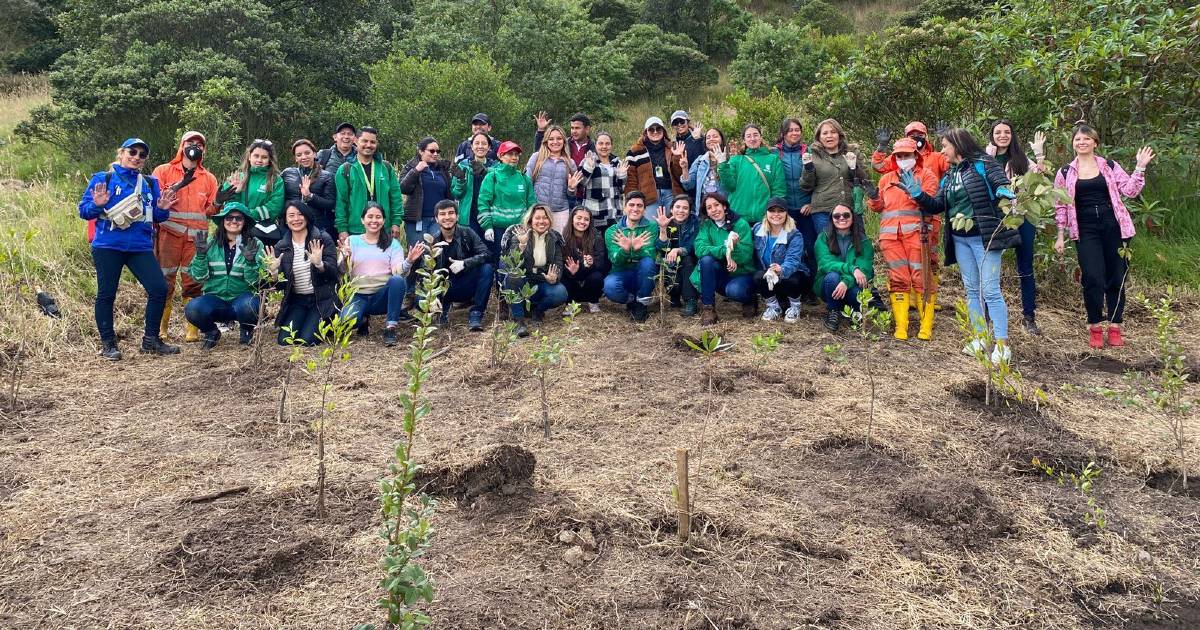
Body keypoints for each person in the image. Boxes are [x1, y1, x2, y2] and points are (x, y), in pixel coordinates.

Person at [902, 128, 1019, 365]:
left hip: (985, 238)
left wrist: (1003, 191)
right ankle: (980, 339)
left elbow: (999, 181)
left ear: (957, 144)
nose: (942, 150)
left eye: (945, 145)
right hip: (960, 239)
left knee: (991, 291)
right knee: (972, 290)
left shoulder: (984, 163)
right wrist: (917, 193)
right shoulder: (951, 175)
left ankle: (1002, 345)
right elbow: (937, 205)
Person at [1053, 125, 1154, 349]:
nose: (1082, 142)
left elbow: (1129, 190)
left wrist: (1139, 168)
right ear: (1073, 143)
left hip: (1114, 226)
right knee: (1092, 277)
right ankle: (1095, 326)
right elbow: (1060, 206)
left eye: (1087, 138)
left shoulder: (1108, 166)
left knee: (1116, 277)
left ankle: (1115, 326)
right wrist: (1060, 234)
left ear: (1095, 143)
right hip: (1085, 229)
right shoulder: (1065, 172)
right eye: (1078, 139)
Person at [79, 137, 180, 359]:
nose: (136, 157)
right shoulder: (102, 179)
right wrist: (97, 205)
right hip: (108, 246)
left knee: (159, 289)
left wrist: (162, 208)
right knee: (107, 294)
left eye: (141, 155)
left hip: (139, 247)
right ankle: (108, 344)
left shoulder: (149, 183)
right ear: (121, 153)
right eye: (132, 152)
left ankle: (151, 340)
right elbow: (84, 212)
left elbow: (156, 216)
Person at [866, 138, 940, 340]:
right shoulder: (886, 179)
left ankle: (925, 326)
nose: (903, 159)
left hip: (918, 235)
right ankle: (901, 326)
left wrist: (916, 194)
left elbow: (932, 204)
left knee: (921, 277)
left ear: (915, 156)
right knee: (898, 278)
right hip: (890, 236)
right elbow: (879, 207)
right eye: (899, 156)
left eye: (906, 155)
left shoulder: (927, 176)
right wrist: (873, 197)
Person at [152, 130, 219, 343]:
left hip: (196, 239)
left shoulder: (208, 178)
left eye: (199, 144)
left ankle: (192, 330)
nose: (195, 147)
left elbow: (210, 211)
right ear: (182, 145)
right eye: (191, 142)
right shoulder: (163, 170)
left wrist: (219, 203)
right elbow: (155, 199)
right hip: (169, 235)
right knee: (164, 282)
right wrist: (179, 184)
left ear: (204, 150)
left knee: (194, 282)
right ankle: (161, 329)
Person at [988, 120, 1047, 336]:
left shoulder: (1021, 159)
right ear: (992, 135)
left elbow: (1040, 180)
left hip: (1022, 217)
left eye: (1007, 132)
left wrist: (1039, 155)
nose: (1002, 135)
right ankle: (989, 315)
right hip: (996, 219)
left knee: (1025, 267)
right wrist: (990, 156)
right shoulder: (986, 157)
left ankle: (1029, 317)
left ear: (1012, 135)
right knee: (991, 268)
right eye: (998, 132)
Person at [337, 202, 425, 346]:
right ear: (362, 220)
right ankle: (363, 319)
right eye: (370, 216)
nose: (374, 220)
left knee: (397, 280)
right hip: (358, 295)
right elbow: (341, 272)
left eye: (378, 217)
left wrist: (409, 261)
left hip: (382, 297)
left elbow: (398, 271)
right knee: (346, 323)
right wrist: (345, 258)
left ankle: (390, 327)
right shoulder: (352, 241)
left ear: (383, 221)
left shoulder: (392, 244)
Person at [184, 202, 264, 350]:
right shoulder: (209, 244)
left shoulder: (255, 244)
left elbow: (254, 281)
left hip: (242, 298)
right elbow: (198, 277)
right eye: (229, 217)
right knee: (193, 308)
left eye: (238, 218)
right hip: (215, 299)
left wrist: (251, 262)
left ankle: (246, 331)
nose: (234, 221)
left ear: (245, 222)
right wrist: (201, 256)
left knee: (250, 306)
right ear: (222, 221)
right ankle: (211, 332)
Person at [417, 200, 494, 331]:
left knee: (487, 269)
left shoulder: (467, 233)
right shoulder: (432, 242)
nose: (447, 217)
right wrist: (431, 296)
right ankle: (441, 309)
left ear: (457, 216)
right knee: (419, 300)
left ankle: (476, 314)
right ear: (436, 219)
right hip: (444, 288)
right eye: (442, 214)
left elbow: (487, 254)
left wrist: (465, 263)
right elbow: (424, 273)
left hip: (467, 284)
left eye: (451, 213)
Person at [268, 202, 339, 345]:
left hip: (321, 300)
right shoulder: (281, 246)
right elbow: (280, 286)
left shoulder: (322, 238)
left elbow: (334, 274)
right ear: (286, 219)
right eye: (291, 215)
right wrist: (274, 272)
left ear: (307, 217)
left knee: (307, 341)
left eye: (300, 214)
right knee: (285, 341)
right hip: (297, 300)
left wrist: (320, 264)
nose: (296, 219)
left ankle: (329, 323)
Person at [500, 204, 570, 336]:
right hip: (523, 279)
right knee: (513, 276)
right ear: (530, 220)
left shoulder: (555, 238)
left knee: (560, 292)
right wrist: (522, 245)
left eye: (545, 218)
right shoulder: (520, 234)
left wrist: (555, 277)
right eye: (537, 218)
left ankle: (536, 312)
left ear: (550, 220)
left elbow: (558, 263)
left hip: (541, 280)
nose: (542, 221)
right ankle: (518, 320)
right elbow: (511, 264)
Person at [690, 191, 756, 325]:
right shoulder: (706, 226)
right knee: (706, 260)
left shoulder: (741, 224)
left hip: (741, 273)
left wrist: (734, 248)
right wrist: (725, 249)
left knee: (734, 291)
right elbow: (700, 249)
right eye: (709, 208)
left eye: (717, 205)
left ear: (724, 206)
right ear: (706, 212)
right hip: (721, 274)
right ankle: (708, 308)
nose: (714, 210)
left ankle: (750, 299)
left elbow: (746, 255)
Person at [800, 119, 871, 237]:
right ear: (819, 137)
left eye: (833, 132)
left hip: (851, 208)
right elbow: (806, 186)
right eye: (825, 133)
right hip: (824, 210)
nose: (829, 136)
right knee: (828, 247)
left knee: (858, 245)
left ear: (839, 134)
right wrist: (808, 169)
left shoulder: (852, 152)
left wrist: (854, 168)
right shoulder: (813, 155)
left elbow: (866, 179)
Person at [334, 126, 403, 243]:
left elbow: (396, 198)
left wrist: (396, 222)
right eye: (364, 141)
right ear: (356, 141)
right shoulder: (345, 169)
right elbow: (341, 202)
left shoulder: (386, 167)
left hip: (384, 229)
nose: (369, 145)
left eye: (372, 142)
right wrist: (342, 229)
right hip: (356, 230)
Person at [774, 118, 817, 302]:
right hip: (783, 212)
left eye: (797, 130)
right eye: (790, 130)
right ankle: (783, 287)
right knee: (784, 249)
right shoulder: (775, 153)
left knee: (809, 248)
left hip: (805, 208)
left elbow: (820, 179)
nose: (794, 133)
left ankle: (809, 289)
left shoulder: (809, 152)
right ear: (783, 133)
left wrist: (813, 203)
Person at [814, 205, 875, 332]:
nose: (841, 218)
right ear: (831, 219)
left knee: (856, 293)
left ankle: (852, 311)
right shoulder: (823, 238)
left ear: (853, 218)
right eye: (837, 216)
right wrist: (853, 269)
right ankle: (833, 310)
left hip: (851, 285)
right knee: (832, 277)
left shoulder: (864, 241)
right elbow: (826, 263)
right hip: (829, 285)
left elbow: (865, 269)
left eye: (846, 215)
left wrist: (846, 281)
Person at [216, 139, 285, 245]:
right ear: (249, 157)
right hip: (235, 230)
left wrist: (247, 215)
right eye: (256, 156)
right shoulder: (237, 177)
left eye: (264, 157)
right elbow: (228, 207)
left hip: (262, 233)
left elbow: (275, 207)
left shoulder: (276, 180)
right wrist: (236, 193)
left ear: (270, 160)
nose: (259, 160)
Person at [715, 123, 787, 224]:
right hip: (738, 218)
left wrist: (775, 212)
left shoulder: (773, 160)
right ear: (744, 140)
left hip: (765, 219)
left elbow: (779, 189)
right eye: (748, 136)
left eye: (755, 135)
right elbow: (729, 186)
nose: (752, 138)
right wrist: (722, 165)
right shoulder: (736, 160)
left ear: (761, 137)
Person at [603, 192, 659, 322]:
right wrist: (626, 251)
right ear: (625, 207)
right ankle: (631, 300)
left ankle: (641, 303)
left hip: (644, 273)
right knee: (610, 286)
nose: (635, 208)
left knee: (648, 263)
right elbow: (614, 259)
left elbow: (650, 253)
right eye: (631, 205)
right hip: (622, 272)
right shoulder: (613, 231)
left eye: (639, 205)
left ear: (644, 210)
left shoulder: (651, 227)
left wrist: (633, 249)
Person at [478, 140, 537, 261]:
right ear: (500, 156)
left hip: (519, 229)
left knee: (519, 261)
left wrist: (531, 225)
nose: (514, 157)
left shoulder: (523, 178)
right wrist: (487, 226)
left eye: (516, 155)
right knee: (500, 261)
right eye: (510, 154)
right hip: (498, 229)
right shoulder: (492, 177)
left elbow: (532, 204)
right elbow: (483, 202)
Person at [753, 198, 808, 323]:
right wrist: (735, 238)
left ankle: (795, 306)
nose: (776, 214)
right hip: (770, 277)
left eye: (780, 211)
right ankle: (773, 307)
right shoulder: (757, 230)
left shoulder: (794, 234)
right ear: (766, 213)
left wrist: (781, 269)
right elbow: (745, 243)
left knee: (792, 279)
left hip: (791, 274)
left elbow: (793, 260)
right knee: (757, 276)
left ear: (786, 214)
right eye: (772, 211)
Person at [399, 136, 454, 250]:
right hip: (417, 220)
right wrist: (416, 171)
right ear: (421, 151)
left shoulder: (442, 169)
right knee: (418, 254)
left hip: (438, 219)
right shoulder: (411, 167)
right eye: (432, 151)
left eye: (437, 151)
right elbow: (403, 188)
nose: (435, 154)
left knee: (437, 253)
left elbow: (449, 194)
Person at [625, 116, 684, 220]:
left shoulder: (672, 148)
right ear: (645, 132)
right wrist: (631, 199)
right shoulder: (635, 151)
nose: (655, 132)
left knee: (672, 227)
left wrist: (677, 156)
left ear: (663, 131)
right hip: (649, 196)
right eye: (651, 129)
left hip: (670, 194)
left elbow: (679, 175)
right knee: (651, 228)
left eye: (658, 128)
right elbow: (631, 179)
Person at [449, 132, 499, 253]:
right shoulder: (463, 165)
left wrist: (486, 171)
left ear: (489, 147)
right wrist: (461, 180)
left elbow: (500, 188)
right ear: (471, 147)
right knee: (470, 251)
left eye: (484, 143)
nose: (480, 146)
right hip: (469, 216)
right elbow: (456, 193)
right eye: (476, 143)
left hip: (490, 215)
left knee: (491, 250)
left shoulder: (496, 166)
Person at [525, 125, 581, 232]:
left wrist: (571, 189)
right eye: (551, 139)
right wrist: (531, 206)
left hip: (560, 211)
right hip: (538, 210)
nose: (555, 142)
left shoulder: (570, 163)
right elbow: (527, 182)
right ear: (546, 141)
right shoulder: (536, 157)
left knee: (559, 244)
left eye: (559, 138)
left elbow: (572, 194)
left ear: (564, 141)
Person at [654, 196, 699, 316]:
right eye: (677, 207)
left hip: (689, 257)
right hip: (669, 259)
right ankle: (674, 296)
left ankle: (690, 300)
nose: (681, 211)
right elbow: (660, 247)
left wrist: (678, 250)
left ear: (690, 211)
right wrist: (663, 228)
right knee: (666, 263)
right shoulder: (665, 221)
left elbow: (694, 244)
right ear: (671, 209)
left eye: (685, 208)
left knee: (688, 261)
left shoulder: (695, 222)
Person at [282, 139, 337, 237]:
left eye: (307, 153)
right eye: (299, 155)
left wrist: (310, 196)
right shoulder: (287, 173)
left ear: (315, 154)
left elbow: (331, 204)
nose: (304, 157)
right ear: (295, 158)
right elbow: (279, 197)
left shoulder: (326, 176)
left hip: (316, 226)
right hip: (290, 225)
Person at [561, 207, 610, 313]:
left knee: (597, 277)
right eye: (579, 218)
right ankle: (570, 303)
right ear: (572, 219)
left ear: (590, 222)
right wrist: (571, 272)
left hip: (588, 277)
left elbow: (602, 264)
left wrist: (592, 263)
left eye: (586, 219)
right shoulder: (563, 237)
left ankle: (593, 301)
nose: (582, 222)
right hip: (572, 279)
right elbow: (560, 263)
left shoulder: (596, 237)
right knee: (563, 278)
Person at [578, 132, 626, 230]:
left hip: (615, 215)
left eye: (607, 144)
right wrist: (589, 168)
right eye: (601, 143)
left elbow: (622, 189)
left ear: (611, 145)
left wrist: (622, 176)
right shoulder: (587, 161)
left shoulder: (618, 163)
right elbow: (581, 184)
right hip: (595, 215)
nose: (604, 146)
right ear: (595, 145)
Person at [871, 121, 950, 181]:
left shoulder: (937, 157)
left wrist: (947, 139)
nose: (916, 138)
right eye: (912, 136)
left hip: (929, 199)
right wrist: (882, 146)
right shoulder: (899, 157)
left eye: (920, 135)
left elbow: (953, 164)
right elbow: (878, 166)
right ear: (906, 138)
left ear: (926, 137)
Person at [679, 127, 728, 214]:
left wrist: (722, 163)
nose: (711, 139)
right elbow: (688, 185)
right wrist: (685, 168)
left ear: (722, 139)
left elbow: (732, 185)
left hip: (724, 207)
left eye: (715, 136)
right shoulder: (700, 160)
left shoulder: (731, 159)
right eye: (708, 137)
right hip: (704, 208)